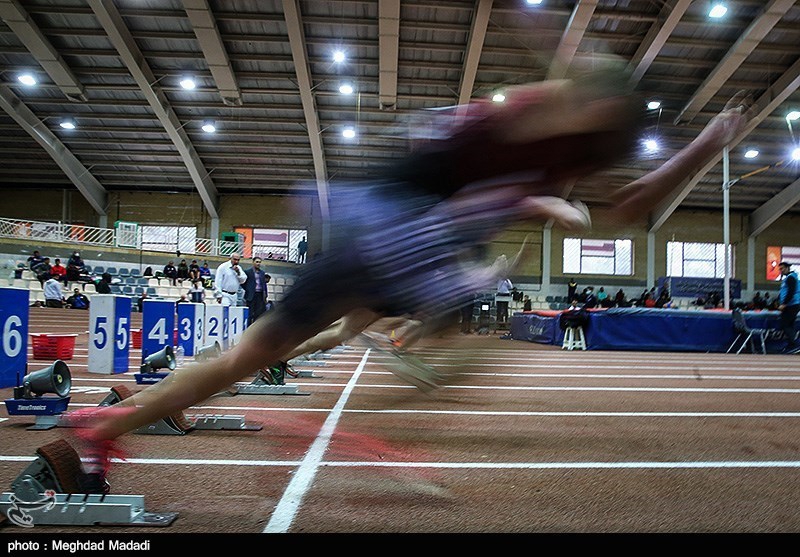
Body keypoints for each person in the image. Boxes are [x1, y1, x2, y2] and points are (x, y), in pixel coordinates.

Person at [62, 75, 753, 491]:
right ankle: (340, 428)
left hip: (374, 241)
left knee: (246, 357)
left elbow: (629, 205)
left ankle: (107, 425)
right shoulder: (515, 123)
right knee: (468, 331)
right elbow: (568, 157)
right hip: (390, 229)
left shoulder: (554, 161)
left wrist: (704, 145)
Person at [777, 261, 800, 353]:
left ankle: (795, 344)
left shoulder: (791, 278)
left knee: (785, 324)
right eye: (780, 269)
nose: (781, 271)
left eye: (782, 268)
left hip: (792, 304)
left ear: (787, 268)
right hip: (791, 304)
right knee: (790, 325)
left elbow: (791, 291)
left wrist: (784, 304)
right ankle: (792, 345)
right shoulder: (788, 278)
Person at [243, 257, 271, 325]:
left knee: (258, 313)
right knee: (250, 313)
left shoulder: (262, 273)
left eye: (259, 262)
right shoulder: (248, 272)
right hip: (251, 295)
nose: (258, 263)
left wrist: (265, 295)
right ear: (253, 262)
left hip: (260, 295)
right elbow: (243, 283)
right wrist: (248, 289)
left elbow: (264, 284)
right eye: (257, 262)